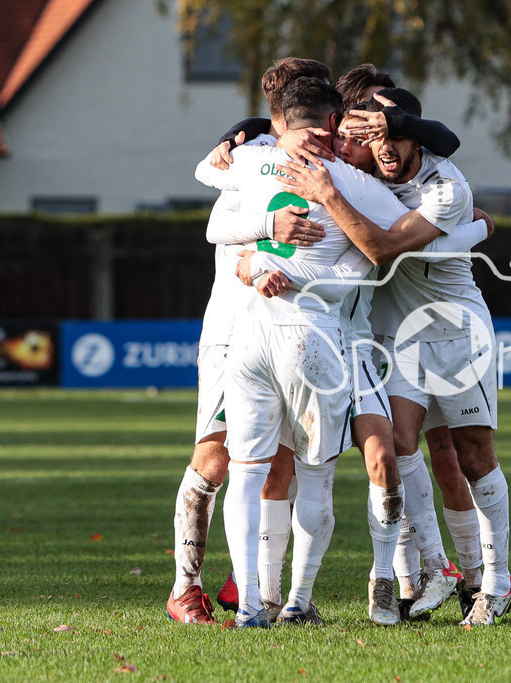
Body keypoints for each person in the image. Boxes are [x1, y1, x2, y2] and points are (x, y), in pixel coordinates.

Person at [213, 76, 491, 625]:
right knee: (283, 471)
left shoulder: (355, 185)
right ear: (333, 125)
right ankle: (269, 598)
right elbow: (221, 215)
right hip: (313, 338)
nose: (359, 145)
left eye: (373, 133)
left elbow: (390, 246)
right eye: (352, 130)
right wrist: (258, 252)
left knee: (395, 456)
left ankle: (398, 578)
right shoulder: (310, 172)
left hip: (359, 341)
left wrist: (469, 232)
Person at [277, 87, 511, 626]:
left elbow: (383, 248)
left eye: (391, 134)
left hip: (457, 331)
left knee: (473, 456)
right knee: (400, 444)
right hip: (401, 337)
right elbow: (302, 125)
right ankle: (436, 570)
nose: (381, 148)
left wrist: (329, 193)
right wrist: (241, 133)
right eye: (370, 134)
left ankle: (498, 583)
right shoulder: (367, 176)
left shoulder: (446, 185)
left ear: (413, 133)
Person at [195, 76, 412, 628]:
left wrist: (260, 248)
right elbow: (400, 240)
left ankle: (249, 606)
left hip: (250, 334)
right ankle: (296, 601)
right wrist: (471, 225)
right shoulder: (349, 183)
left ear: (277, 124)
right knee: (315, 474)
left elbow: (217, 224)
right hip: (312, 336)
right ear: (332, 124)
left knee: (247, 472)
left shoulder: (252, 161)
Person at [166, 56, 331, 626]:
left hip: (286, 333)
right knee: (215, 459)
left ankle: (255, 588)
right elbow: (216, 222)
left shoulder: (316, 165)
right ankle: (185, 586)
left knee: (278, 466)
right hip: (231, 331)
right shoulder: (248, 162)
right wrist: (267, 225)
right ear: (274, 117)